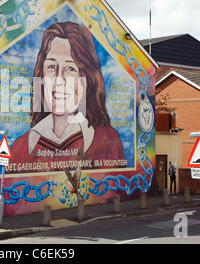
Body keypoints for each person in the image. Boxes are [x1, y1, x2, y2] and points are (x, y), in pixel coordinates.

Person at [10, 22, 125, 173]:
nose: (59, 79)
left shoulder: (108, 140)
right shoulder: (21, 148)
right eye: (51, 66)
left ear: (88, 79)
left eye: (70, 68)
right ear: (41, 74)